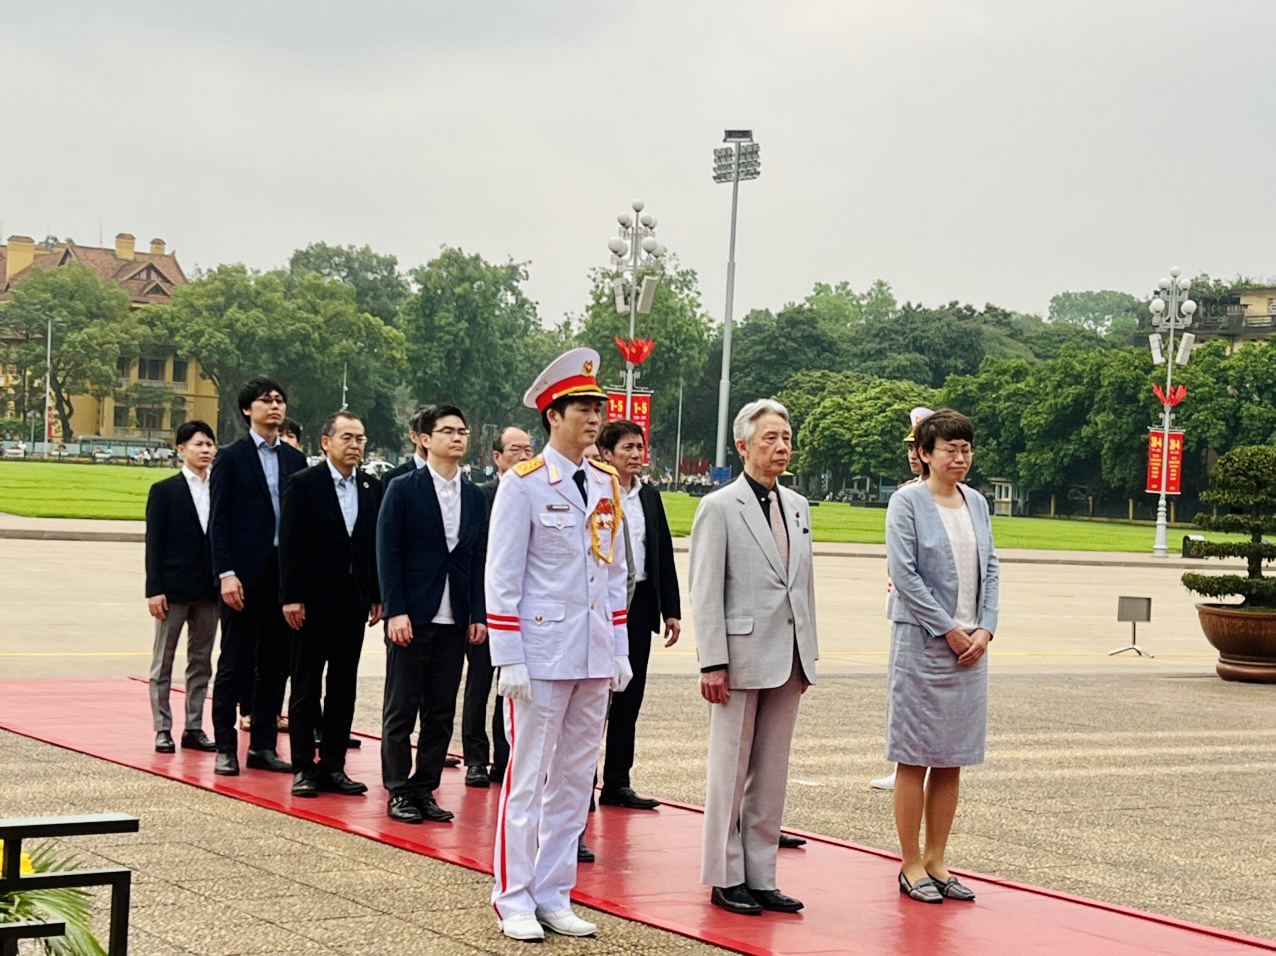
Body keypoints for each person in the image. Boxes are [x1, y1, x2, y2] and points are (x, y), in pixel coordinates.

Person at [487, 347, 630, 942]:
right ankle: (513, 896)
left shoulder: (606, 481)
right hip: (541, 654)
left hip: (593, 651)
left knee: (575, 780)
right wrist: (509, 657)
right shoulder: (522, 485)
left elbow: (615, 570)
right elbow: (502, 575)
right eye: (582, 407)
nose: (594, 418)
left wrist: (618, 645)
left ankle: (554, 891)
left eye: (598, 407)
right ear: (554, 414)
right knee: (528, 779)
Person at [691, 398, 818, 917]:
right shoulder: (718, 507)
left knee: (771, 772)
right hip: (738, 659)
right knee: (730, 771)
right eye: (769, 438)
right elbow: (704, 590)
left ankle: (761, 875)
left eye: (786, 437)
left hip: (787, 659)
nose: (781, 447)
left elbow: (802, 586)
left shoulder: (798, 505)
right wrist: (711, 661)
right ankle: (725, 876)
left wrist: (807, 654)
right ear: (742, 446)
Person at [886, 408, 999, 904]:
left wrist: (985, 629)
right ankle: (911, 862)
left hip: (971, 649)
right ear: (925, 455)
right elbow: (905, 575)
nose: (960, 457)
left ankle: (937, 858)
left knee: (952, 758)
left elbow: (991, 567)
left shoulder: (976, 502)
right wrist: (948, 630)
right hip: (923, 644)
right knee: (915, 756)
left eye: (966, 448)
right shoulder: (906, 502)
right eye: (950, 449)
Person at [378, 404, 488, 824]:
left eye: (462, 431)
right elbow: (388, 552)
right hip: (413, 614)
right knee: (402, 706)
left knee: (441, 709)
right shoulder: (403, 488)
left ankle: (425, 787)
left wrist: (478, 612)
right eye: (447, 431)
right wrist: (396, 610)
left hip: (456, 616)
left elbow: (478, 557)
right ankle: (397, 788)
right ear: (424, 439)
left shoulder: (475, 495)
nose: (458, 438)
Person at [279, 411, 382, 798]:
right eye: (347, 438)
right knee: (306, 687)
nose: (355, 445)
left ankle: (334, 765)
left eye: (360, 439)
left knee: (343, 687)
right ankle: (303, 767)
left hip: (353, 602)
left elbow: (371, 545)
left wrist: (376, 594)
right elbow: (290, 545)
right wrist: (291, 595)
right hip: (311, 601)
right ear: (326, 442)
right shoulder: (304, 485)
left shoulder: (371, 487)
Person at [209, 376, 307, 776]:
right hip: (244, 576)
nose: (274, 406)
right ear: (248, 409)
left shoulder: (295, 460)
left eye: (280, 400)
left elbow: (302, 523)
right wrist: (227, 573)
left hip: (282, 575)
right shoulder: (231, 457)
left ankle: (263, 744)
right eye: (266, 401)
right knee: (234, 660)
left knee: (275, 662)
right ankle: (226, 747)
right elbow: (219, 521)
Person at [597, 420, 681, 810]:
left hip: (641, 602)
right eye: (627, 448)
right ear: (606, 453)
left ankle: (617, 782)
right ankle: (582, 783)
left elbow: (661, 551)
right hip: (603, 604)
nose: (635, 455)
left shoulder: (649, 495)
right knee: (597, 698)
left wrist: (671, 610)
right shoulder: (597, 491)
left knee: (630, 697)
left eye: (639, 448)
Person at [462, 426, 534, 788]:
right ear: (496, 457)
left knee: (512, 688)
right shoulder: (482, 497)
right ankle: (475, 757)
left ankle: (502, 759)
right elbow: (476, 557)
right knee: (478, 685)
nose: (523, 456)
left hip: (526, 611)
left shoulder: (536, 493)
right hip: (486, 607)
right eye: (515, 450)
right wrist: (478, 612)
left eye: (528, 449)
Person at [144, 420, 219, 755]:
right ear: (181, 449)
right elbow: (154, 544)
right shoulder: (165, 491)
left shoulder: (219, 489)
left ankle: (193, 726)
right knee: (164, 661)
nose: (205, 450)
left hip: (208, 589)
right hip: (172, 588)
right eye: (198, 444)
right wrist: (154, 588)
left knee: (201, 661)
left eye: (209, 445)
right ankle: (162, 728)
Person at [872, 405, 934, 793]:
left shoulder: (928, 496)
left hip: (924, 612)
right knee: (906, 693)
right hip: (905, 605)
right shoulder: (908, 493)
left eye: (918, 445)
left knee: (915, 694)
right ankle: (905, 767)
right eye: (909, 446)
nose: (912, 453)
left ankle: (915, 768)